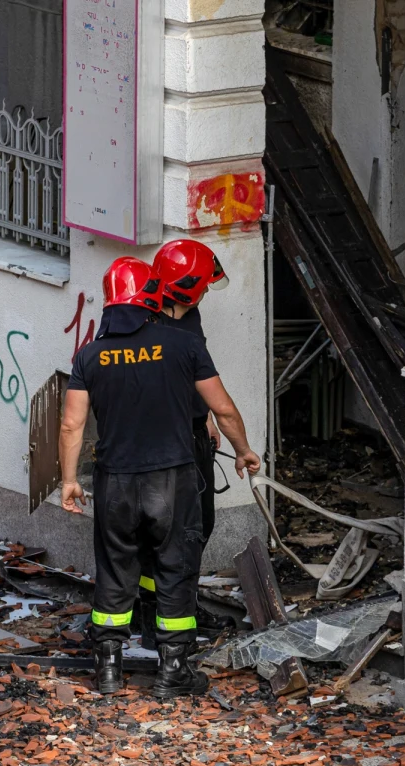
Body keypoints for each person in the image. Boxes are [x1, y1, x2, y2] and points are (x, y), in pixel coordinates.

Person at [59, 256, 261, 699]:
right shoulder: (182, 345)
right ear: (153, 297)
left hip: (115, 483)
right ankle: (173, 673)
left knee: (115, 571)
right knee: (175, 570)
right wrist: (243, 451)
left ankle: (108, 672)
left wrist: (70, 480)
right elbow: (221, 409)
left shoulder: (89, 355)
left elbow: (72, 425)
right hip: (172, 480)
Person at [136, 238, 231, 649]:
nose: (207, 291)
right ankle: (160, 615)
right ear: (186, 287)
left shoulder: (187, 317)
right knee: (170, 532)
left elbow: (196, 371)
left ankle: (177, 604)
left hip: (191, 433)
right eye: (204, 285)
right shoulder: (144, 321)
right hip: (163, 440)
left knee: (197, 526)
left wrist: (204, 416)